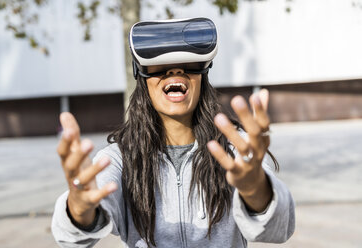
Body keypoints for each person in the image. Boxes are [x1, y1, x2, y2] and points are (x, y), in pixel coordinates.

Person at [51, 18, 295, 248]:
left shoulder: (233, 149)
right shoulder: (120, 159)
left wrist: (255, 190)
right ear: (141, 77)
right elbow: (70, 238)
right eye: (160, 66)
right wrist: (79, 209)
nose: (174, 70)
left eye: (188, 65)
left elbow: (278, 229)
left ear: (203, 76)